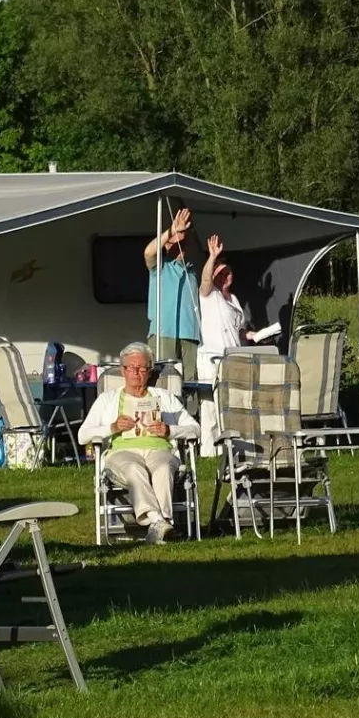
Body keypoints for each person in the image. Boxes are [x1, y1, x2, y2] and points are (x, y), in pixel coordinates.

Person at [78, 342, 198, 544]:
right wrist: (112, 427)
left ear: (150, 371)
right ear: (123, 371)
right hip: (122, 452)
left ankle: (159, 526)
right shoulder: (108, 399)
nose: (136, 373)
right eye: (131, 368)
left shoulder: (165, 397)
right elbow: (83, 435)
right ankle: (159, 520)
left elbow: (195, 429)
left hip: (160, 449)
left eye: (142, 368)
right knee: (134, 468)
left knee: (162, 467)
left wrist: (170, 430)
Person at [197, 233, 258, 452]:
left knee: (233, 404)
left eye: (227, 273)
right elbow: (205, 280)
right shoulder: (208, 294)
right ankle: (209, 450)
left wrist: (252, 336)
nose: (224, 277)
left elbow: (240, 331)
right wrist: (213, 256)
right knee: (211, 406)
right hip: (211, 357)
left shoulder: (234, 299)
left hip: (234, 357)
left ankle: (233, 449)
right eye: (220, 274)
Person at [144, 206, 201, 381]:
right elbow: (148, 252)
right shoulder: (160, 267)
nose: (180, 246)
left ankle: (191, 410)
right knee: (164, 381)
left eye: (184, 242)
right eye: (176, 242)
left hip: (189, 334)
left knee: (190, 382)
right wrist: (170, 231)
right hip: (163, 332)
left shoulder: (192, 271)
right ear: (167, 244)